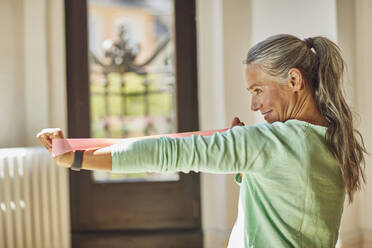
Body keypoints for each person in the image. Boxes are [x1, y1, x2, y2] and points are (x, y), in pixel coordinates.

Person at [38, 34, 367, 248]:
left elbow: (168, 152)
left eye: (257, 90)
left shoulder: (268, 142)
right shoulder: (333, 141)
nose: (253, 105)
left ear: (294, 80)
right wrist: (245, 156)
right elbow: (286, 194)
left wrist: (76, 158)